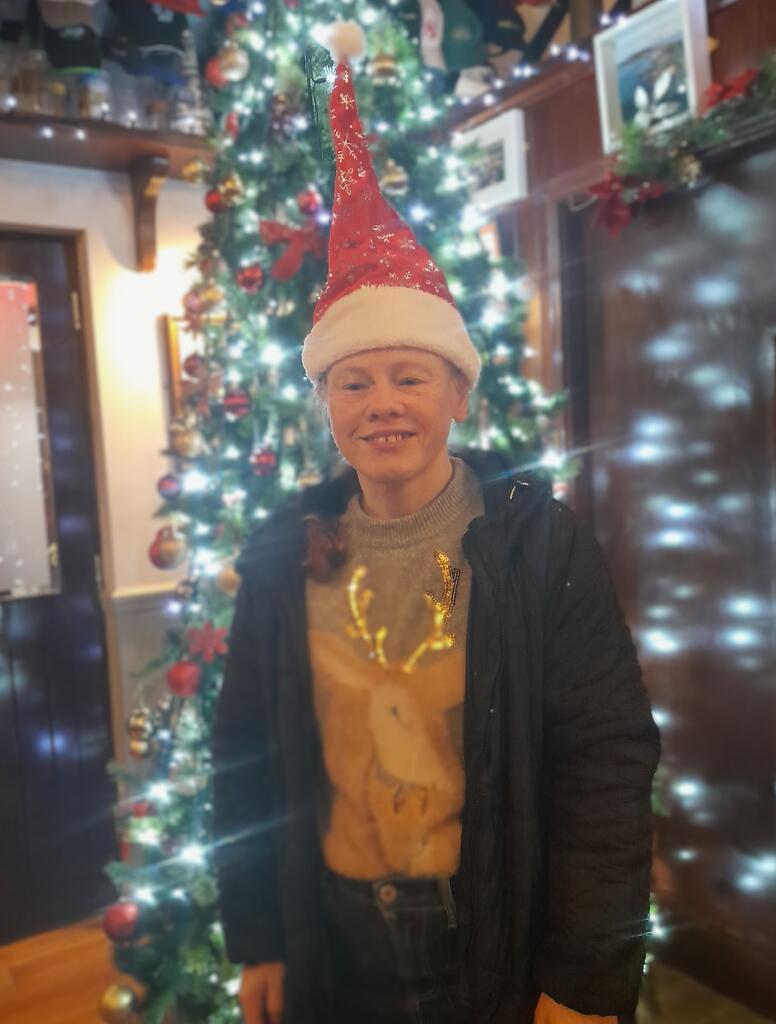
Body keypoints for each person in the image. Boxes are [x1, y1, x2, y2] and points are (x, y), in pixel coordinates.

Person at [212, 20, 660, 1024]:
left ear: (457, 392)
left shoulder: (537, 544)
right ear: (326, 407)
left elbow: (605, 759)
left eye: (410, 376)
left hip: (492, 936)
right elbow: (244, 757)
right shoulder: (284, 558)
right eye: (354, 381)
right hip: (333, 940)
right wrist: (261, 938)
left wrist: (583, 981)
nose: (382, 403)